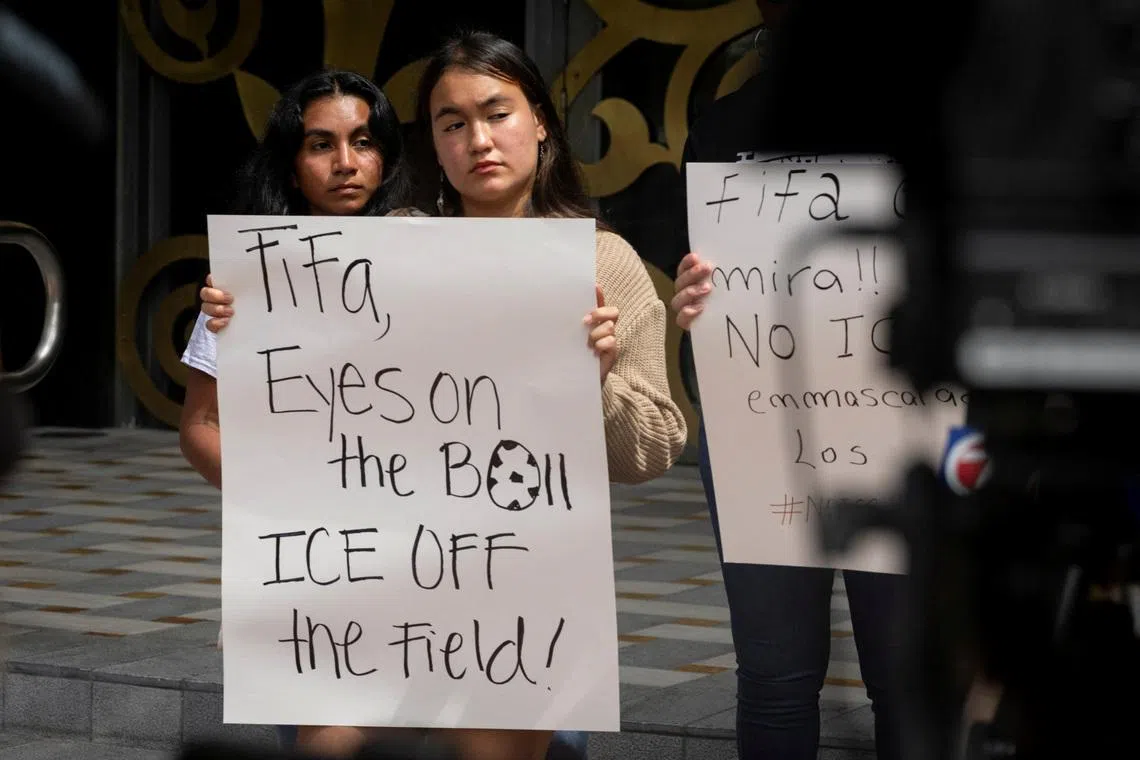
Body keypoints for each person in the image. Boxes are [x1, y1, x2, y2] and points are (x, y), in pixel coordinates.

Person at [195, 30, 688, 760]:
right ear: (433, 140)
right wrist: (250, 324)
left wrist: (599, 383)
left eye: (498, 113)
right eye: (453, 123)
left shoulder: (599, 261)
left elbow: (654, 448)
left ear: (542, 120)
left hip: (515, 589)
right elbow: (322, 398)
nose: (478, 140)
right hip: (378, 581)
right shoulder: (389, 246)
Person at [665, 2, 906, 760]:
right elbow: (705, 268)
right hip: (761, 424)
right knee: (775, 677)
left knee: (905, 678)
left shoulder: (930, 114)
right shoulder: (723, 126)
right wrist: (690, 297)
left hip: (898, 423)